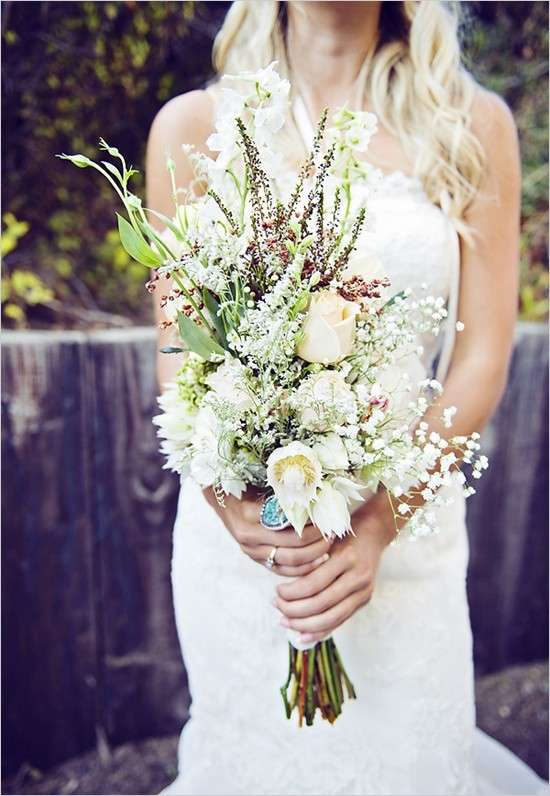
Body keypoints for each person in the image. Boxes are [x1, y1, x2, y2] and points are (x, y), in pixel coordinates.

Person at [146, 3, 546, 794]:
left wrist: (378, 524)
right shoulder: (191, 126)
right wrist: (236, 505)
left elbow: (480, 358)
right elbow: (179, 350)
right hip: (248, 553)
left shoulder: (470, 125)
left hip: (403, 538)